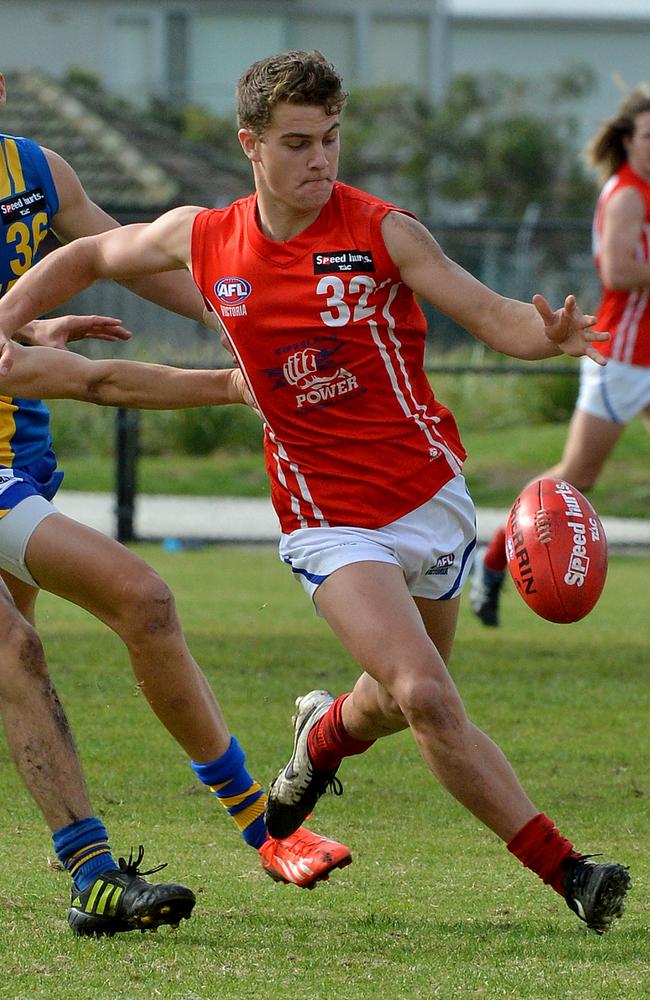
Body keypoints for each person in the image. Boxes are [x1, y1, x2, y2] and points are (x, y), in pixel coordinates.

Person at [0, 50, 630, 935]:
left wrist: (548, 334)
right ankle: (570, 870)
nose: (320, 160)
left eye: (331, 139)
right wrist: (2, 323)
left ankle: (323, 734)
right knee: (426, 695)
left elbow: (491, 317)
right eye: (297, 142)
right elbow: (94, 252)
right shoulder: (203, 235)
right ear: (250, 145)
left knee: (399, 695)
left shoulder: (383, 231)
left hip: (428, 496)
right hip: (329, 521)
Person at [0, 69, 351, 938]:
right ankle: (97, 875)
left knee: (115, 621)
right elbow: (94, 379)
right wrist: (236, 383)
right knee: (19, 647)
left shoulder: (37, 173)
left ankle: (262, 829)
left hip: (17, 459)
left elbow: (133, 253)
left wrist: (244, 316)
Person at [471, 85, 650, 627]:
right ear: (627, 141)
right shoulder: (629, 194)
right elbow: (618, 273)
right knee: (575, 477)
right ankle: (496, 560)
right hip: (620, 357)